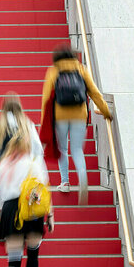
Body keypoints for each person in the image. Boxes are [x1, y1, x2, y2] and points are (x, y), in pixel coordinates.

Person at [40, 44, 111, 205]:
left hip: (60, 116)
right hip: (80, 114)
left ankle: (65, 182)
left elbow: (45, 99)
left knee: (63, 149)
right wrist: (106, 111)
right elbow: (94, 92)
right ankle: (83, 178)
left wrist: (44, 121)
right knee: (77, 149)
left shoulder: (53, 71)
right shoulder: (81, 69)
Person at [0, 134, 53, 267]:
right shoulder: (33, 163)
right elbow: (42, 188)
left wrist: (3, 212)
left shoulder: (3, 165)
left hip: (10, 208)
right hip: (31, 207)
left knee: (14, 256)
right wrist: (50, 214)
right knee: (33, 253)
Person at [0, 92, 43, 189]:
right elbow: (37, 150)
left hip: (3, 172)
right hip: (23, 171)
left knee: (4, 202)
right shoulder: (27, 124)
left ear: (3, 106)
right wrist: (39, 175)